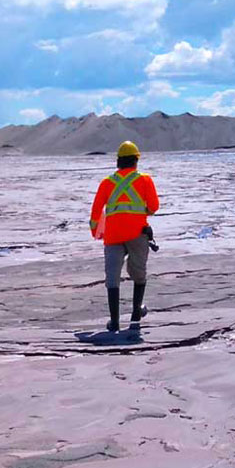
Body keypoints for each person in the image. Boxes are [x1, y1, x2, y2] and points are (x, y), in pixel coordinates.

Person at [89, 140, 160, 331]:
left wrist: (95, 231)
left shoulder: (106, 183)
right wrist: (140, 214)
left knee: (112, 277)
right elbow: (154, 207)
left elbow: (96, 211)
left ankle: (114, 322)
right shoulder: (145, 180)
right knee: (139, 273)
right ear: (136, 161)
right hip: (137, 234)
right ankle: (136, 313)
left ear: (118, 161)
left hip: (112, 236)